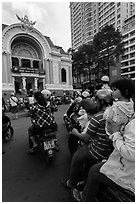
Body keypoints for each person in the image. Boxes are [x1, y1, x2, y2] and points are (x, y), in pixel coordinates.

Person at [72, 114, 135, 201]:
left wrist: (76, 133)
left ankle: (78, 190)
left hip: (100, 152)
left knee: (79, 160)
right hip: (114, 154)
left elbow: (86, 138)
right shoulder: (126, 116)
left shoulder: (100, 117)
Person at [62, 89, 114, 190]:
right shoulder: (118, 113)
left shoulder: (98, 117)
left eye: (97, 101)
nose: (95, 103)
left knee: (76, 157)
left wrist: (75, 133)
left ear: (101, 102)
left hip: (98, 151)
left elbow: (86, 138)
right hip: (112, 150)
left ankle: (71, 183)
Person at [27, 89, 59, 154]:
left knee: (30, 130)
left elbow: (30, 114)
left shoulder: (34, 106)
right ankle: (54, 141)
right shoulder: (48, 104)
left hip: (40, 127)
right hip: (52, 125)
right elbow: (55, 108)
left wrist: (30, 114)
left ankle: (34, 144)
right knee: (55, 126)